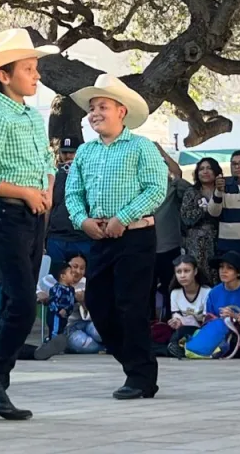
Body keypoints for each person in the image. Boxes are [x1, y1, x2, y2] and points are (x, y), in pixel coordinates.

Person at [0, 28, 58, 421]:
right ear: (4, 76)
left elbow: (47, 163)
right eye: (28, 69)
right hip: (6, 214)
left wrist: (48, 189)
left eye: (36, 68)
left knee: (13, 299)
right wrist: (25, 192)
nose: (36, 75)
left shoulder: (32, 117)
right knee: (21, 299)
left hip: (34, 214)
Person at [65, 74, 168, 400]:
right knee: (97, 302)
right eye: (92, 108)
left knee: (130, 305)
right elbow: (72, 194)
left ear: (121, 111)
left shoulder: (141, 147)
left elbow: (156, 188)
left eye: (102, 106)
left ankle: (139, 376)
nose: (94, 113)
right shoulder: (84, 153)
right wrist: (82, 221)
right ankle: (136, 366)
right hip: (100, 238)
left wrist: (122, 218)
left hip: (136, 237)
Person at [152, 147, 189, 319]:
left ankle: (170, 325)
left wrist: (160, 151)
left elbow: (178, 173)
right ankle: (149, 326)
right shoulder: (135, 186)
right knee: (146, 290)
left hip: (169, 247)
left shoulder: (172, 185)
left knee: (171, 288)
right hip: (144, 247)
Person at [46, 136, 91, 266]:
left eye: (72, 152)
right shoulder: (53, 174)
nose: (68, 156)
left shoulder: (90, 174)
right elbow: (48, 207)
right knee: (54, 280)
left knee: (85, 282)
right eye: (65, 152)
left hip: (83, 237)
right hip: (57, 237)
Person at [181, 157, 222, 285]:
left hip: (220, 240)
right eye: (201, 169)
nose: (205, 171)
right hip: (197, 243)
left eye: (209, 168)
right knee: (199, 277)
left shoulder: (224, 190)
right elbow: (185, 216)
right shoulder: (191, 192)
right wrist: (205, 210)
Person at [165, 255, 209, 358]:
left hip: (200, 330)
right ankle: (175, 348)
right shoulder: (175, 293)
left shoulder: (207, 292)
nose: (182, 275)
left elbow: (206, 320)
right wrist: (175, 321)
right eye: (179, 272)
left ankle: (174, 348)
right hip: (180, 329)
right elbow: (175, 315)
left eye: (186, 271)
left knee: (183, 332)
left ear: (195, 271)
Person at [204, 252, 240, 319]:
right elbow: (209, 319)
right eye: (221, 267)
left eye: (229, 268)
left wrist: (234, 316)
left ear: (238, 273)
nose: (224, 271)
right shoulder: (214, 293)